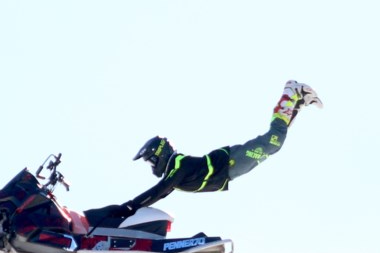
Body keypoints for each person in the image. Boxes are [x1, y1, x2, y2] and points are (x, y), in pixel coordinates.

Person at [96, 80, 322, 221]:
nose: (152, 164)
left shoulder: (179, 165)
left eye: (152, 159)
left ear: (162, 152)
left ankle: (290, 93)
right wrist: (128, 210)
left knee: (273, 142)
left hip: (231, 162)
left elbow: (160, 189)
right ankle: (297, 102)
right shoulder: (175, 173)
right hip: (230, 168)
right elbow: (162, 192)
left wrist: (129, 206)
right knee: (274, 145)